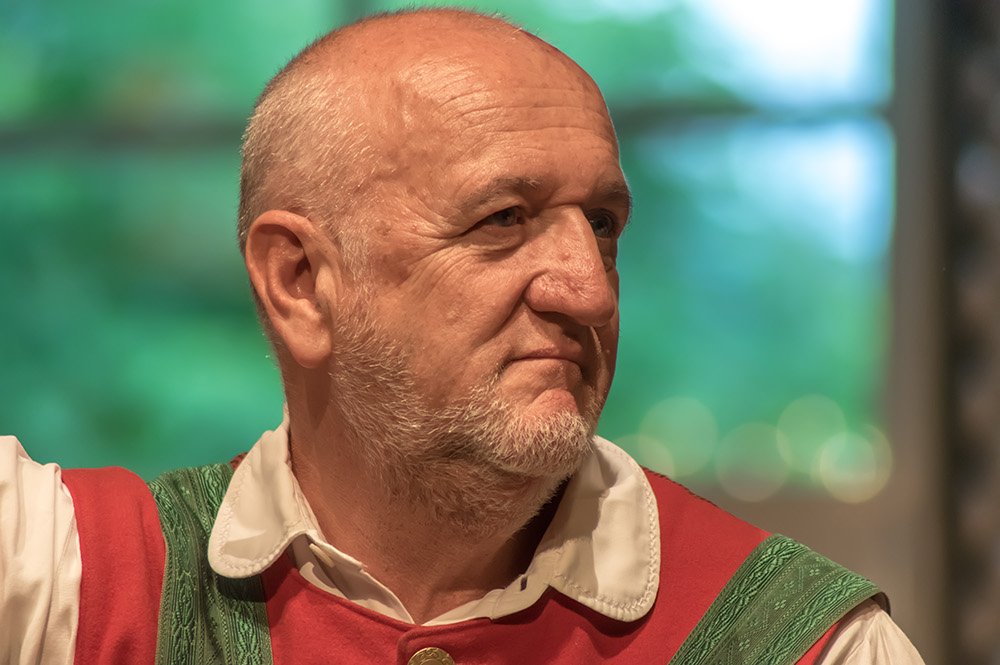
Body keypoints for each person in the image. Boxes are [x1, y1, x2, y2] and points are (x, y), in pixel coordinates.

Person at [0, 8, 924, 664]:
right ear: (300, 283)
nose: (588, 289)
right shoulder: (60, 579)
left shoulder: (812, 644)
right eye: (503, 219)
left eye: (602, 223)